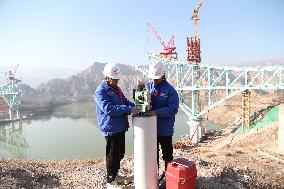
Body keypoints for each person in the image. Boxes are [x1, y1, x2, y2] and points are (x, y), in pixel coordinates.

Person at [94, 63, 138, 188]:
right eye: (114, 79)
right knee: (112, 156)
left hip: (120, 127)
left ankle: (115, 174)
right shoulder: (101, 91)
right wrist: (128, 109)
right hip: (111, 128)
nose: (117, 81)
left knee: (120, 153)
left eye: (117, 79)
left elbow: (124, 101)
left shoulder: (117, 89)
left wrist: (135, 107)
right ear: (107, 77)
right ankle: (110, 181)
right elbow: (109, 109)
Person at [146, 61, 179, 178]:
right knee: (152, 155)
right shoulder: (148, 86)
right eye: (152, 79)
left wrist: (156, 112)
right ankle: (153, 178)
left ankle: (168, 177)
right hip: (150, 129)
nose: (154, 81)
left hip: (164, 130)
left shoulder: (170, 91)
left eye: (157, 79)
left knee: (167, 155)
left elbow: (173, 109)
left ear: (162, 76)